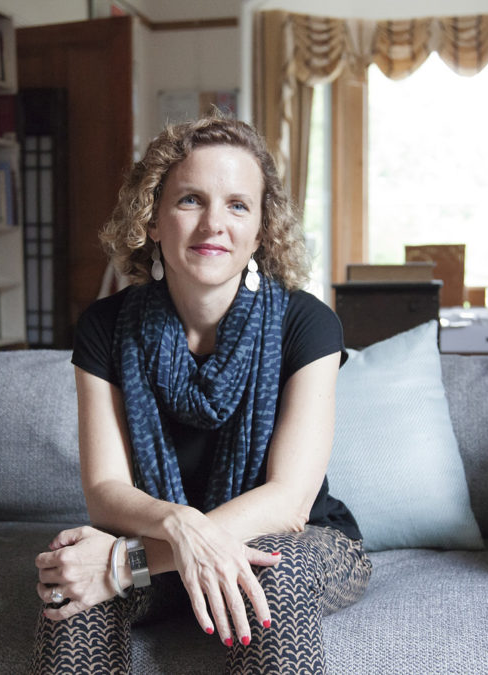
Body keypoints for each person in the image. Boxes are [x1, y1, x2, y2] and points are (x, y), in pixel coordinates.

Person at [30, 116, 371, 674]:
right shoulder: (104, 326)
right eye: (191, 199)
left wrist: (124, 562)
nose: (214, 224)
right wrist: (176, 527)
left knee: (273, 570)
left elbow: (288, 504)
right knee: (70, 587)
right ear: (153, 220)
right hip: (156, 544)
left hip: (295, 542)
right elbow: (105, 491)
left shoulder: (307, 323)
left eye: (238, 205)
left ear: (261, 230)